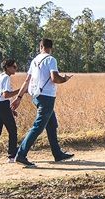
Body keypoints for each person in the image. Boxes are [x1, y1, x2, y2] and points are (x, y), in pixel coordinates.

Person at [12, 38, 75, 167]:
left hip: (36, 96)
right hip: (47, 96)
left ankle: (57, 154)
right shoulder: (51, 59)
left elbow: (27, 80)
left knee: (51, 124)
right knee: (38, 126)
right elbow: (54, 78)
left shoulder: (35, 60)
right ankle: (21, 154)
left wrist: (19, 97)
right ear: (51, 48)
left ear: (41, 46)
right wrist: (65, 79)